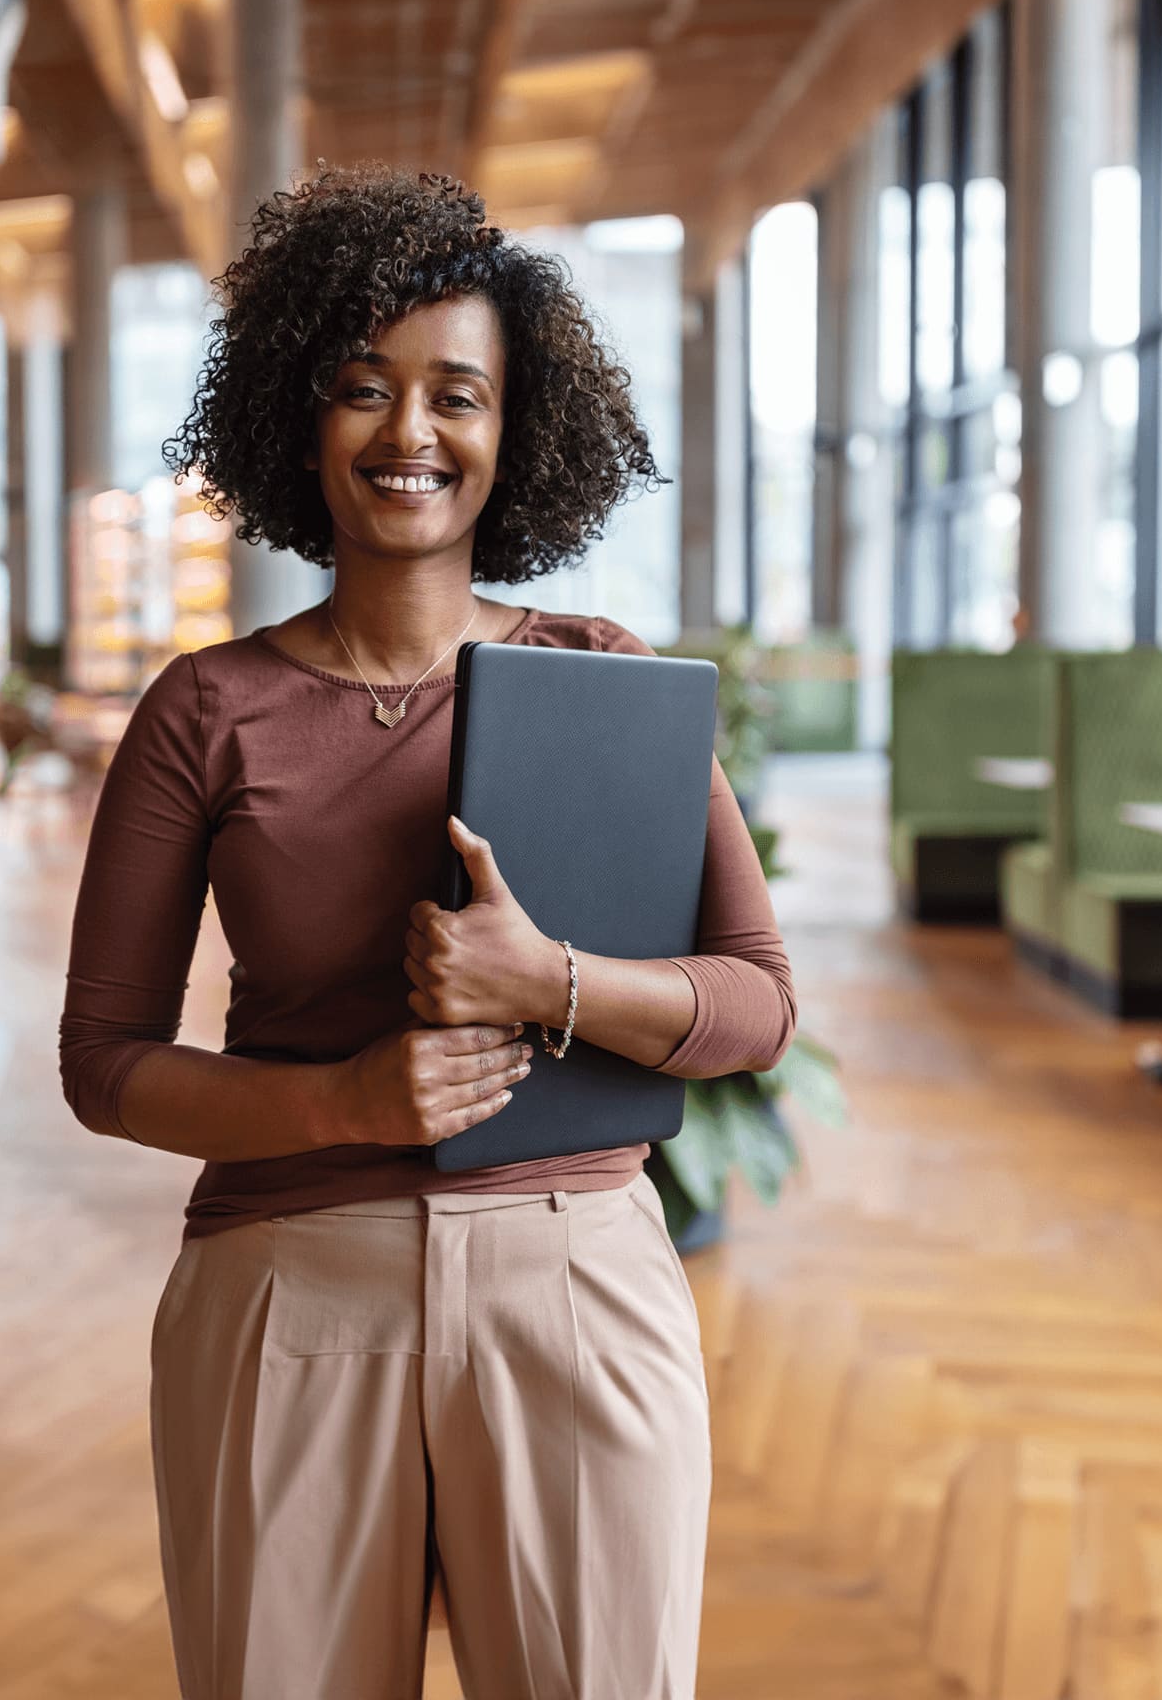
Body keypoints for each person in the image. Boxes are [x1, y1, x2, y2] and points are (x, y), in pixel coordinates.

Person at [58, 163, 798, 1700]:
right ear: (295, 416)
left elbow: (760, 1003)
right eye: (362, 389)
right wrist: (341, 1101)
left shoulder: (604, 678)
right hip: (287, 1290)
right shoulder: (207, 709)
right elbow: (105, 1062)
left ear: (512, 429)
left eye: (457, 394)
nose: (410, 433)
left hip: (574, 1283)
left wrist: (553, 984)